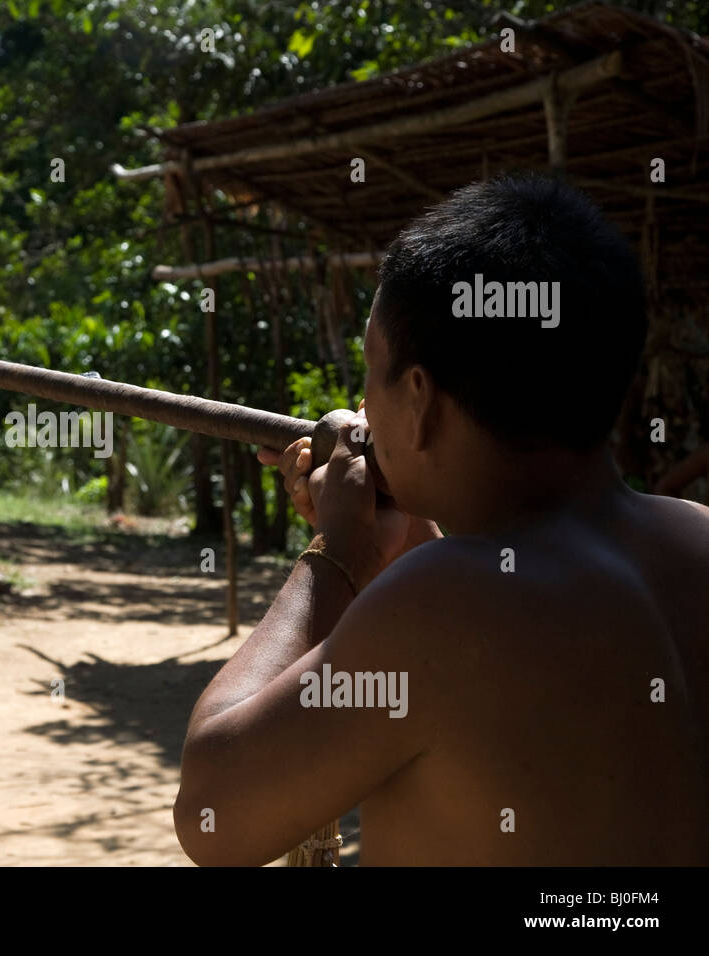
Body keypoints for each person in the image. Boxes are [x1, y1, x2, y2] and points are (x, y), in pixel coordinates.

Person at [174, 174, 709, 866]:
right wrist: (392, 540)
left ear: (421, 400)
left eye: (372, 367)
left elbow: (213, 816)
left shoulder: (451, 601)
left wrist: (333, 555)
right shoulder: (693, 539)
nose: (364, 403)